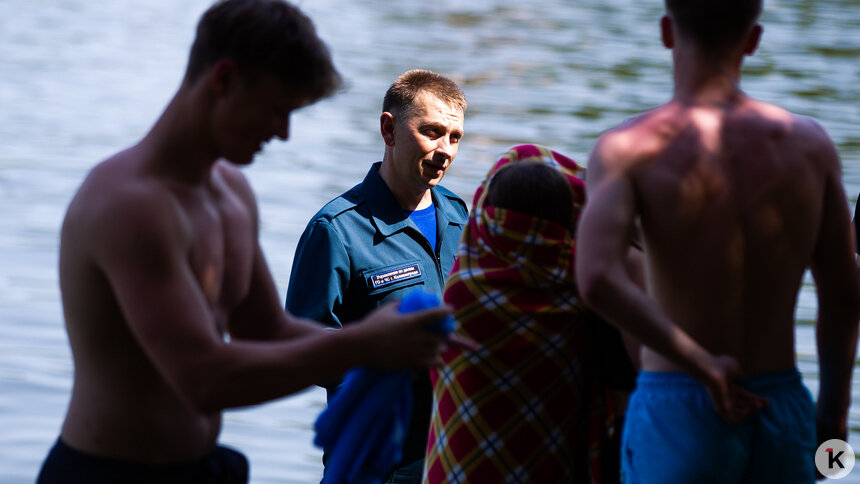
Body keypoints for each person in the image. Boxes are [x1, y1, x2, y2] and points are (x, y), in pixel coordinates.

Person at [36, 2, 452, 483]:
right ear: (225, 80)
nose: (283, 133)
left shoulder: (231, 193)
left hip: (202, 465)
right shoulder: (130, 206)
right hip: (106, 471)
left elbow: (267, 330)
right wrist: (367, 344)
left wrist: (405, 347)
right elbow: (203, 379)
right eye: (276, 110)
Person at [575, 0, 860, 482]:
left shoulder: (630, 148)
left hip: (681, 401)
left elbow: (597, 277)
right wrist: (832, 417)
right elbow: (842, 290)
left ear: (667, 31)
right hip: (783, 405)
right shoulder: (811, 146)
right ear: (753, 40)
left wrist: (700, 361)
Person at [285, 69, 468, 483]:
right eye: (432, 132)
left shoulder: (458, 215)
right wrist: (384, 359)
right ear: (389, 130)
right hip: (372, 462)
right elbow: (298, 347)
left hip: (452, 456)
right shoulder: (336, 230)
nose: (446, 150)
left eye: (455, 137)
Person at [423, 145, 637, 484]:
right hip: (549, 463)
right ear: (567, 223)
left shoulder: (464, 289)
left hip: (464, 467)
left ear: (491, 218)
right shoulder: (584, 301)